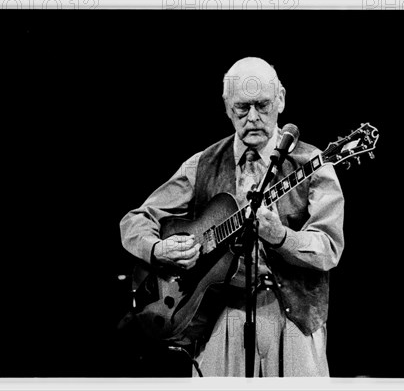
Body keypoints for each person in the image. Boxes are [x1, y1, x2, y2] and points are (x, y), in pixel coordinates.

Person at [119, 57, 345, 377]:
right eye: (242, 107)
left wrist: (281, 236)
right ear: (226, 107)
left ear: (280, 99)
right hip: (219, 317)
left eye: (262, 105)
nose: (252, 117)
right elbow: (135, 220)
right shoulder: (203, 163)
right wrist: (157, 250)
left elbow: (329, 247)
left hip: (294, 319)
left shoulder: (314, 164)